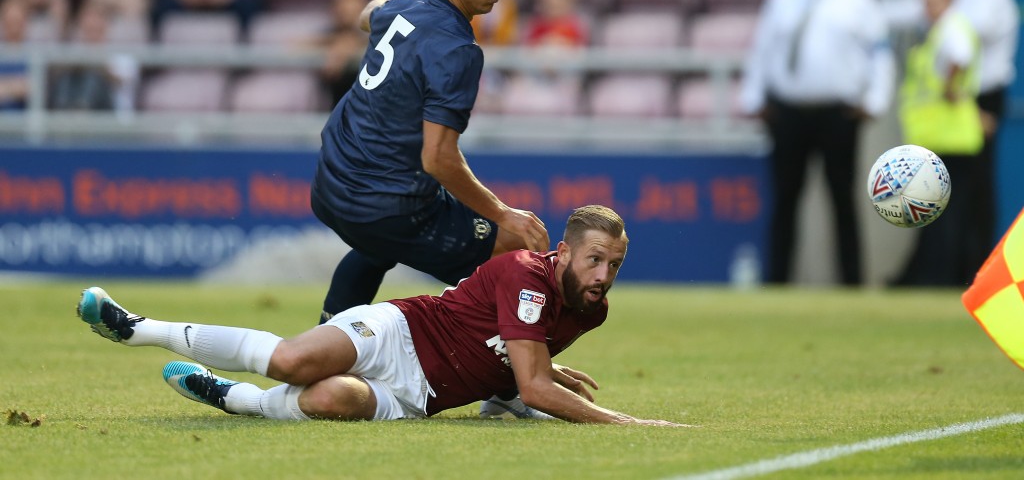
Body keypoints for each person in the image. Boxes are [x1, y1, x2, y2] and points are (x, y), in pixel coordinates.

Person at [76, 205, 684, 426]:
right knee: (293, 361)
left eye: (615, 266)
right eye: (596, 261)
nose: (604, 276)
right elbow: (530, 377)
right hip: (402, 332)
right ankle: (138, 329)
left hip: (420, 396)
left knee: (328, 401)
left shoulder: (590, 311)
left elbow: (512, 368)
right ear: (566, 253)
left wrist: (520, 387)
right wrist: (621, 421)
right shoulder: (527, 273)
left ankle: (235, 399)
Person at [312, 0, 548, 324]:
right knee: (512, 247)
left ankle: (323, 346)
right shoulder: (458, 50)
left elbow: (366, 13)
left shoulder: (404, 7)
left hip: (330, 185)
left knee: (377, 245)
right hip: (386, 205)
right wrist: (502, 212)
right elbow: (437, 159)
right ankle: (505, 378)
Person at [739, 0, 895, 287]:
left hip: (838, 113)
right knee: (785, 199)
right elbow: (763, 48)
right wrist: (754, 99)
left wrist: (874, 101)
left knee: (842, 198)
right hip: (788, 112)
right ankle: (777, 280)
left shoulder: (857, 0)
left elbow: (880, 54)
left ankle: (851, 282)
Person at [886, 0, 1019, 275]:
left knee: (967, 198)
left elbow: (967, 41)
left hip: (971, 104)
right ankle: (949, 268)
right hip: (956, 113)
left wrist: (957, 92)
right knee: (952, 200)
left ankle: (965, 268)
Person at [890, 0, 982, 287]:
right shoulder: (939, 29)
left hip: (949, 139)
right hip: (941, 138)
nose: (925, 5)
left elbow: (961, 56)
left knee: (944, 217)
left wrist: (950, 87)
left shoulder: (951, 26)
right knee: (938, 215)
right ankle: (935, 277)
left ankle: (940, 279)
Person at [49, 2, 140, 113]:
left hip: (111, 114)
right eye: (88, 18)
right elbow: (56, 72)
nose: (93, 22)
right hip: (71, 106)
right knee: (66, 78)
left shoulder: (121, 53)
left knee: (92, 77)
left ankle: (81, 112)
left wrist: (94, 65)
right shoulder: (75, 50)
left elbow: (120, 81)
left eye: (98, 17)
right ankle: (63, 117)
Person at [0, 0, 29, 111]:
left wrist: (5, 88)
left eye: (17, 20)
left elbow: (34, 87)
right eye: (10, 21)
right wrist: (16, 87)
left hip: (25, 123)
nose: (13, 25)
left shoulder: (33, 53)